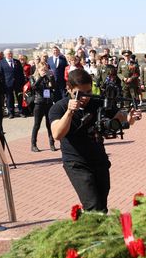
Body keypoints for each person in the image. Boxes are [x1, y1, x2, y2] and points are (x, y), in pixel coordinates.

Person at [50, 68, 140, 212]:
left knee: (102, 206)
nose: (85, 97)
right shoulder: (59, 107)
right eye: (80, 93)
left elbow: (121, 117)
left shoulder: (96, 102)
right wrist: (69, 112)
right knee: (93, 206)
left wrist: (131, 118)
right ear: (69, 88)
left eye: (89, 92)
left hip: (99, 161)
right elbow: (57, 134)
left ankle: (93, 232)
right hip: (76, 164)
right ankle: (95, 233)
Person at [29, 61, 57, 152]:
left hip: (48, 103)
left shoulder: (48, 78)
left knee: (49, 124)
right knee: (37, 125)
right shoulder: (33, 77)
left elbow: (53, 87)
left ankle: (52, 143)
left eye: (46, 70)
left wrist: (51, 78)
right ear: (38, 70)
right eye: (42, 70)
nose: (44, 71)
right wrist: (41, 77)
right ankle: (33, 145)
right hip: (39, 103)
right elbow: (34, 87)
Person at [0, 48, 24, 118]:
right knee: (9, 99)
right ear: (5, 55)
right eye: (9, 53)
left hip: (18, 83)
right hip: (7, 84)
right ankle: (11, 113)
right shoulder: (1, 63)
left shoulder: (17, 62)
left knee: (19, 98)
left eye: (11, 53)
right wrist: (2, 84)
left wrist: (22, 82)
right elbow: (0, 75)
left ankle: (21, 111)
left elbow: (21, 73)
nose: (10, 55)